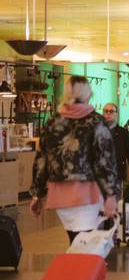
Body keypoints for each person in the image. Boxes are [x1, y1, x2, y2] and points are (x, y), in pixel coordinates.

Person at [29, 76, 119, 243]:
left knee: (76, 240)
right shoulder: (96, 122)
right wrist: (111, 194)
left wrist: (37, 194)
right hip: (88, 193)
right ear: (88, 94)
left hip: (60, 193)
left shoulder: (52, 122)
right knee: (85, 243)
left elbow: (42, 160)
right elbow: (104, 161)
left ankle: (77, 258)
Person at [103, 103, 129, 182]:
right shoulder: (97, 131)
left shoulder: (123, 133)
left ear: (116, 114)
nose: (108, 113)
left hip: (117, 172)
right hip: (100, 173)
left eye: (111, 111)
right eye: (106, 111)